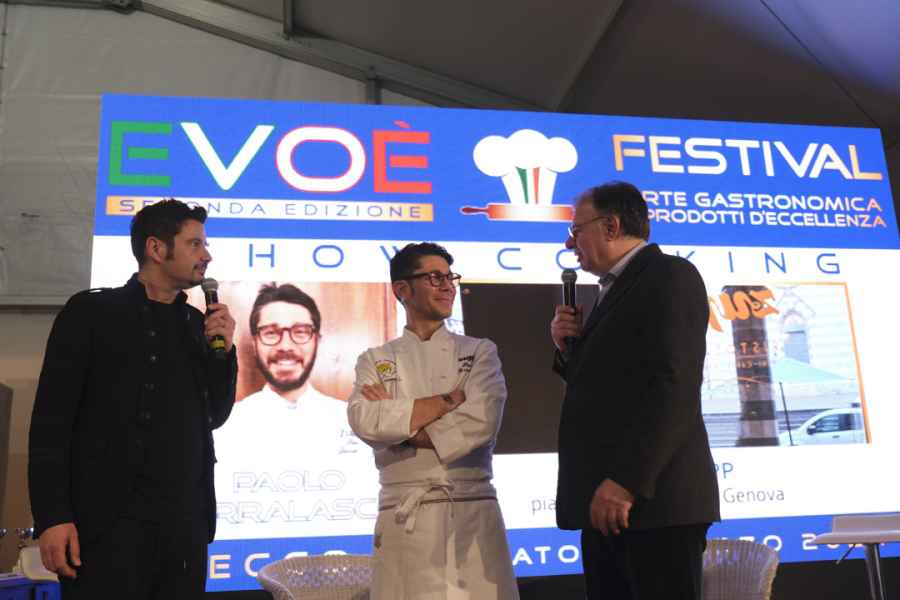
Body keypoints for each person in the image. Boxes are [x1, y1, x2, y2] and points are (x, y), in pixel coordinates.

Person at [28, 199, 238, 599]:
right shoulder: (92, 312)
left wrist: (223, 354)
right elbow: (51, 422)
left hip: (182, 530)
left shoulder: (197, 325)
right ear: (156, 248)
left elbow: (215, 414)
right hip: (104, 529)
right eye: (195, 244)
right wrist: (53, 517)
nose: (206, 255)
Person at [550, 181, 719, 600]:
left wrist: (626, 481)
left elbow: (674, 386)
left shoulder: (669, 275)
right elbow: (610, 390)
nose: (569, 242)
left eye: (576, 230)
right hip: (609, 504)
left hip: (652, 503)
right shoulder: (613, 289)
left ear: (611, 226)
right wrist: (567, 349)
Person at [347, 242, 519, 599]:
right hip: (403, 519)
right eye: (435, 277)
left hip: (471, 514)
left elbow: (481, 422)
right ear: (402, 289)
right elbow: (365, 419)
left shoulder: (479, 351)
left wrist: (398, 426)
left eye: (450, 278)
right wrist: (446, 402)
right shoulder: (374, 358)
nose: (447, 286)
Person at [215, 283, 360, 458]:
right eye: (271, 333)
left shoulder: (354, 421)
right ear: (255, 343)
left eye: (300, 332)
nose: (285, 346)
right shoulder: (225, 425)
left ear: (317, 341)